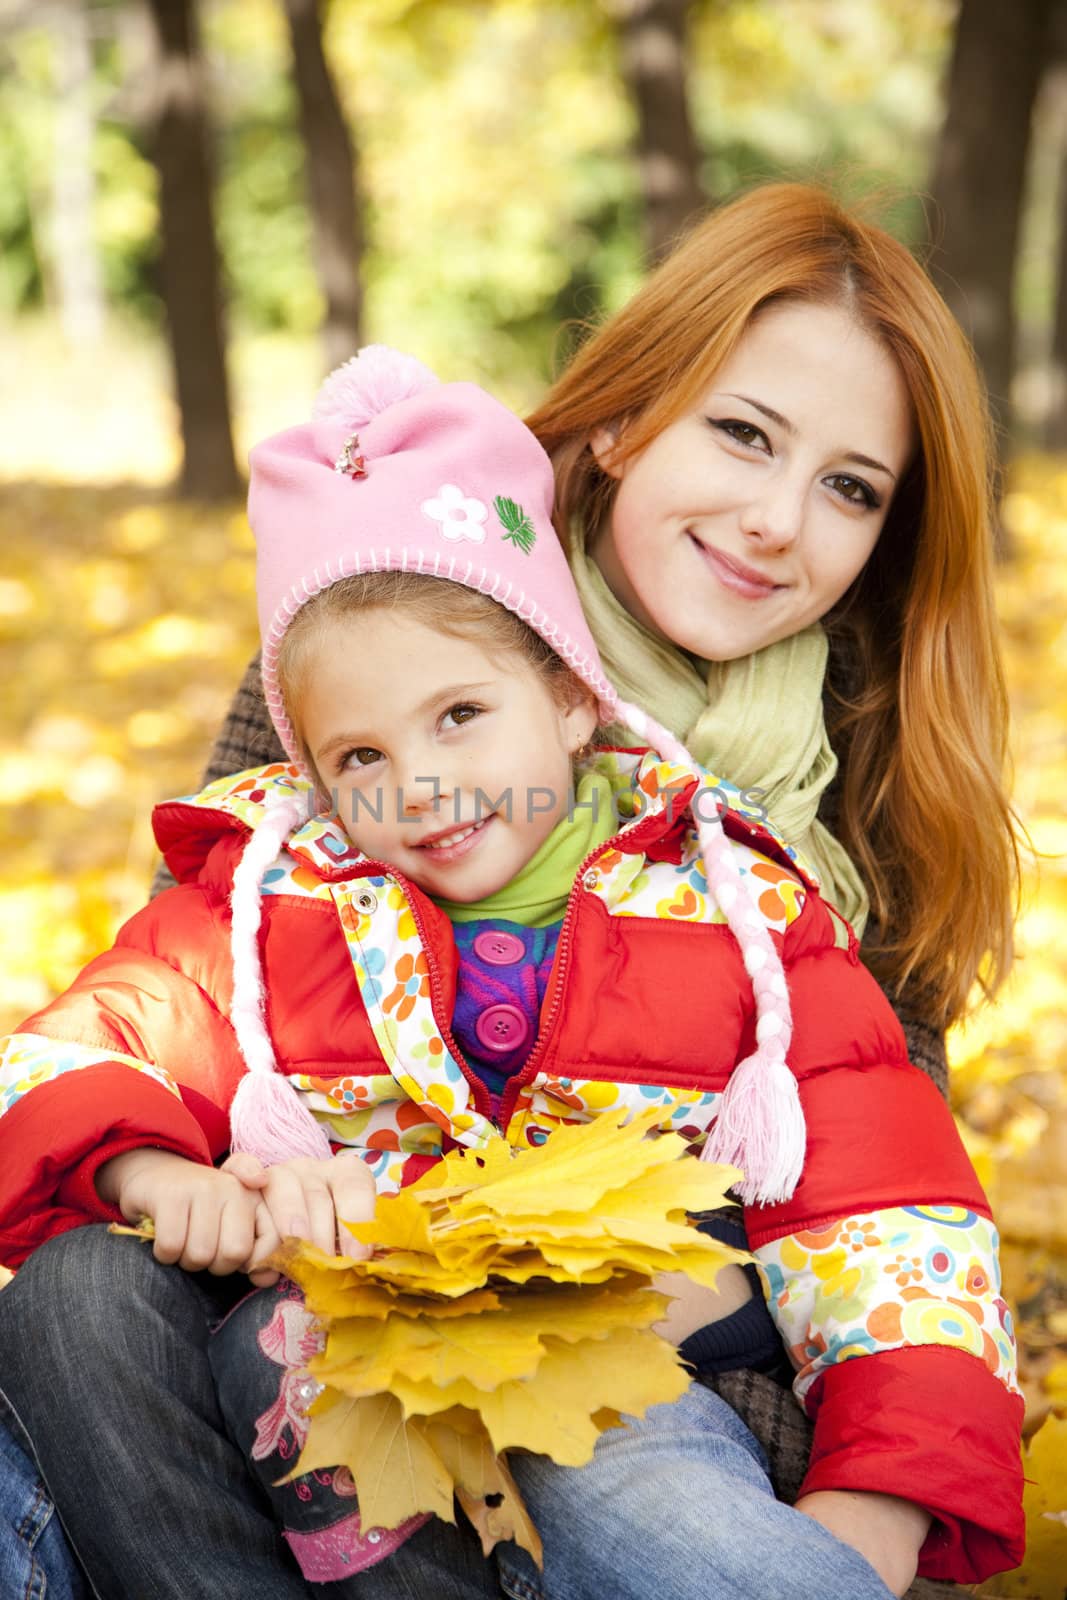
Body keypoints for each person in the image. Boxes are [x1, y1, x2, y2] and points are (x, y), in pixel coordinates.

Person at [0, 342, 1022, 1600]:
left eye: (460, 720)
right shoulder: (276, 902)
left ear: (570, 697)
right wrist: (150, 1166)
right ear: (310, 770)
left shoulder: (738, 908)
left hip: (605, 1388)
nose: (418, 787)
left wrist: (875, 1512)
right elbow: (71, 1042)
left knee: (664, 1520)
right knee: (113, 1323)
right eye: (359, 758)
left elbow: (889, 1216)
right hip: (323, 1371)